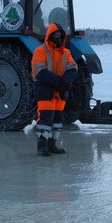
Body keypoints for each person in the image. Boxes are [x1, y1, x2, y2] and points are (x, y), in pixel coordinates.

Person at [31, 23, 78, 156]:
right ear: (49, 36)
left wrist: (66, 81)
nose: (57, 38)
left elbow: (73, 68)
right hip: (45, 90)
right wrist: (59, 81)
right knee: (45, 118)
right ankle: (42, 146)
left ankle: (52, 145)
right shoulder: (40, 51)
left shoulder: (66, 53)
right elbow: (39, 71)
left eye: (60, 36)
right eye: (55, 35)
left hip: (60, 92)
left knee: (57, 118)